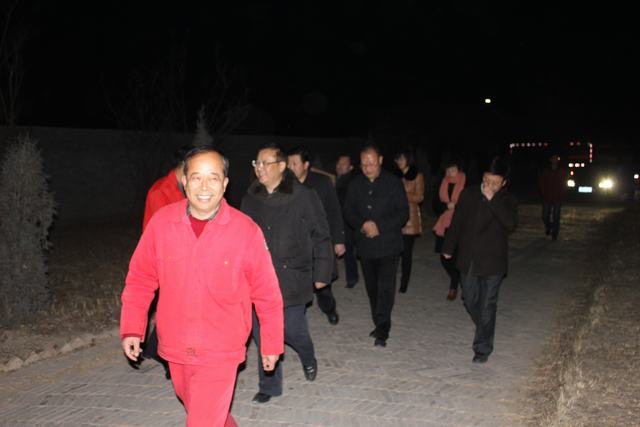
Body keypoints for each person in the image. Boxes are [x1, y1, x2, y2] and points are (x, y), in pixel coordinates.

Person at [120, 147, 284, 427]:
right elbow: (140, 278)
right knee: (202, 410)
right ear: (184, 181)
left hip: (222, 349)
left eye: (213, 178)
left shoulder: (245, 231)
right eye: (196, 177)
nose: (204, 186)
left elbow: (267, 293)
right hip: (176, 345)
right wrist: (133, 327)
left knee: (202, 420)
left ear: (225, 183)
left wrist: (271, 342)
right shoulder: (162, 223)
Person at [241, 143, 333, 403]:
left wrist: (322, 273)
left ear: (281, 166)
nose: (259, 168)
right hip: (258, 279)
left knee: (293, 331)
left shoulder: (303, 195)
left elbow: (321, 234)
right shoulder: (251, 198)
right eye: (256, 163)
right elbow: (241, 237)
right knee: (262, 333)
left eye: (265, 163)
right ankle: (269, 385)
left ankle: (308, 355)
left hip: (292, 276)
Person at [442, 156, 518, 363]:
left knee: (487, 304)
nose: (490, 185)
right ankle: (486, 326)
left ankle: (482, 348)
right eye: (487, 180)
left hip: (493, 261)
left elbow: (510, 223)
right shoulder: (469, 194)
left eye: (495, 182)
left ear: (504, 182)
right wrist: (448, 246)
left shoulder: (507, 200)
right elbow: (457, 222)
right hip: (469, 258)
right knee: (469, 299)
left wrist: (492, 199)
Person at [343, 144, 409, 347]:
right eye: (364, 164)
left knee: (385, 287)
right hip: (366, 246)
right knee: (372, 288)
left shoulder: (393, 182)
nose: (368, 167)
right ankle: (378, 320)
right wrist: (363, 224)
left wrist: (379, 226)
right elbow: (349, 211)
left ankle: (383, 328)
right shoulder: (355, 185)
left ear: (380, 160)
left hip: (388, 244)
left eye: (371, 163)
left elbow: (403, 213)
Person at [138, 145, 192, 375]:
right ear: (184, 166)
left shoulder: (183, 188)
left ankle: (154, 350)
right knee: (175, 311)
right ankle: (171, 360)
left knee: (175, 309)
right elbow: (165, 233)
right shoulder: (161, 191)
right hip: (165, 260)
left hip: (183, 259)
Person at [288, 146, 344, 325]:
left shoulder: (322, 183)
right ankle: (297, 317)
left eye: (294, 163)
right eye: (288, 163)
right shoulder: (284, 185)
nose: (290, 167)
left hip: (317, 242)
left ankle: (329, 308)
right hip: (295, 244)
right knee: (296, 283)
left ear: (306, 165)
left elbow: (334, 211)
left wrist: (339, 240)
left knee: (322, 284)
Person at [432, 159, 466, 301]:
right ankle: (457, 278)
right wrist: (446, 206)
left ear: (458, 169)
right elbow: (435, 204)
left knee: (458, 256)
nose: (450, 173)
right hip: (444, 224)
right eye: (448, 170)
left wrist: (456, 207)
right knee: (444, 257)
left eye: (453, 170)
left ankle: (454, 287)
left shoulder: (466, 182)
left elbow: (470, 204)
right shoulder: (442, 183)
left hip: (460, 225)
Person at [393, 149, 425, 293]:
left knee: (406, 254)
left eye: (401, 159)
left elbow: (419, 197)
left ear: (408, 160)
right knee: (393, 251)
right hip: (394, 217)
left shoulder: (417, 175)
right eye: (397, 159)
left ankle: (404, 283)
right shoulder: (394, 176)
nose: (399, 162)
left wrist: (402, 194)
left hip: (410, 218)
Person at [335, 154, 359, 288]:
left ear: (350, 167)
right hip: (342, 221)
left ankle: (352, 278)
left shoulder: (349, 182)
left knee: (349, 250)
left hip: (347, 222)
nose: (339, 166)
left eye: (343, 164)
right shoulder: (340, 180)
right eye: (338, 163)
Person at [538, 154, 567, 240]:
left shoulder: (561, 171)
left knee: (556, 217)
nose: (554, 160)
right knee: (544, 216)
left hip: (557, 197)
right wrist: (543, 193)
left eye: (556, 158)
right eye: (553, 158)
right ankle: (549, 226)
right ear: (550, 160)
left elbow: (564, 183)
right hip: (547, 197)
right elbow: (541, 182)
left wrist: (562, 193)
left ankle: (555, 233)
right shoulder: (546, 171)